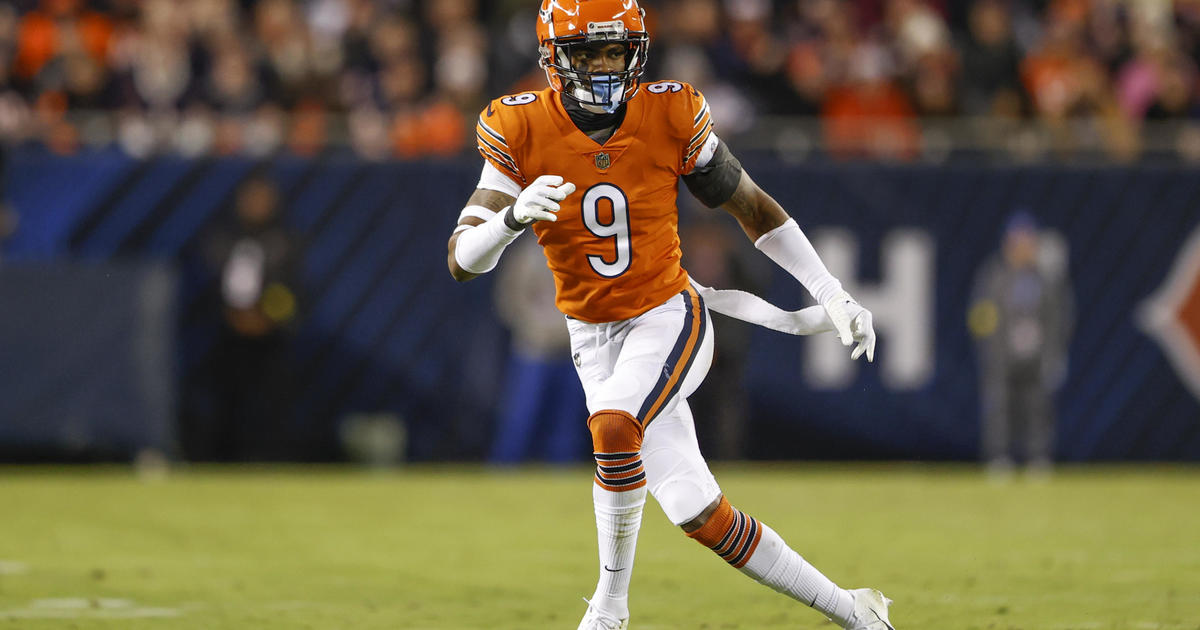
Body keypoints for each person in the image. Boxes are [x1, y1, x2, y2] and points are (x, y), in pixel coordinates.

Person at [446, 2, 893, 628]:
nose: (603, 66)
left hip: (666, 313)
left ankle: (609, 609)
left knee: (612, 424)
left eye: (613, 50)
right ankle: (858, 614)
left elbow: (753, 208)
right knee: (697, 512)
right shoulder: (520, 127)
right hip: (590, 335)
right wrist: (510, 219)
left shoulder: (670, 111)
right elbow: (463, 261)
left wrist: (832, 292)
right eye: (586, 52)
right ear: (553, 57)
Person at [969, 210, 1073, 479]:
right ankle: (999, 457)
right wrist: (989, 346)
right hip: (1004, 353)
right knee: (1000, 407)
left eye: (1028, 243)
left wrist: (1054, 351)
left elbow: (1058, 317)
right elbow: (981, 314)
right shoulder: (994, 276)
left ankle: (1038, 458)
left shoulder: (1044, 279)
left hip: (1036, 355)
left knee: (1037, 408)